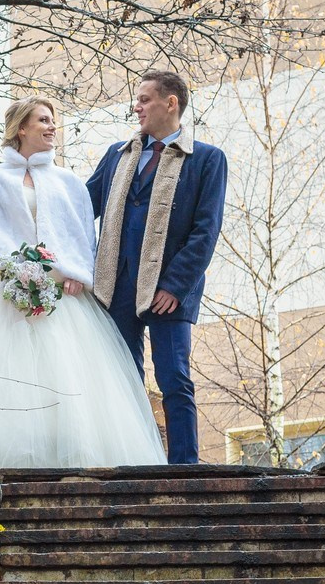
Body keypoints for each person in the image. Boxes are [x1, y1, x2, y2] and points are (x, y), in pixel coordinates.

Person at [0, 97, 167, 469]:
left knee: (72, 380)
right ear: (21, 128)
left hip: (62, 299)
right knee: (4, 375)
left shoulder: (67, 181)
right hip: (5, 293)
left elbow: (79, 234)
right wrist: (17, 266)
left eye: (53, 120)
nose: (52, 127)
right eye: (43, 120)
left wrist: (74, 272)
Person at [85, 70, 228, 465]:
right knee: (123, 379)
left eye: (145, 99)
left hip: (170, 293)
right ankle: (135, 458)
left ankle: (185, 467)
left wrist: (175, 285)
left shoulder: (207, 159)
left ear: (171, 103)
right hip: (115, 286)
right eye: (137, 99)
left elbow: (206, 230)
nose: (137, 106)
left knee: (174, 379)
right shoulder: (118, 155)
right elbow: (82, 208)